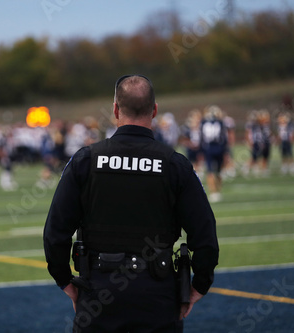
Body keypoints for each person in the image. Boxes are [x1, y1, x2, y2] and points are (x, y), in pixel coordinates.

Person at [43, 75, 219, 332]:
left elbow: (55, 231)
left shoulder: (85, 160)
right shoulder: (174, 164)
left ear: (115, 109)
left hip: (97, 292)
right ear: (155, 110)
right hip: (157, 293)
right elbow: (204, 235)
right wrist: (199, 285)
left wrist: (65, 281)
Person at [200, 105, 228, 203]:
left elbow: (202, 138)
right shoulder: (220, 122)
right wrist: (226, 151)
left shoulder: (203, 122)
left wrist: (201, 150)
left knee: (210, 171)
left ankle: (214, 192)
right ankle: (217, 191)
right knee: (217, 171)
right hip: (218, 148)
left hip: (208, 148)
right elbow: (224, 138)